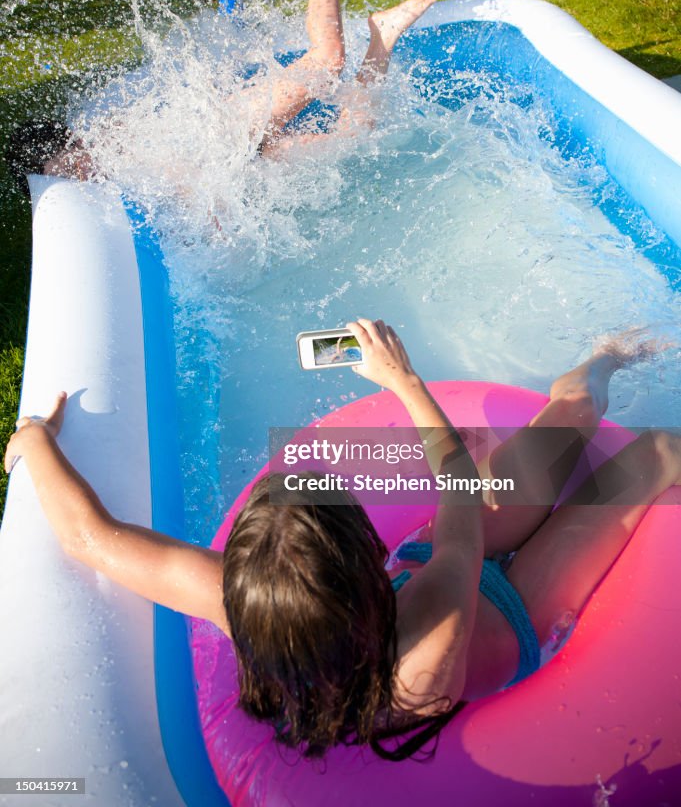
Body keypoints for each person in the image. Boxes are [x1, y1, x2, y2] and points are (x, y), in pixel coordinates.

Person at [5, 318, 679, 760]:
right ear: (360, 562)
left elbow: (89, 539)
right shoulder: (430, 636)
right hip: (507, 616)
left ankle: (604, 356)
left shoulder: (243, 606)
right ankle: (604, 363)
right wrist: (405, 383)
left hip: (420, 578)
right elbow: (460, 506)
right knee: (650, 452)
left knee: (570, 420)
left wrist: (34, 442)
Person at [2, 0, 435, 190]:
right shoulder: (94, 181)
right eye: (56, 176)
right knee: (357, 133)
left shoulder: (104, 142)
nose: (69, 175)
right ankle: (381, 37)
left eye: (57, 168)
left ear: (60, 148)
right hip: (246, 165)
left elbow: (177, 150)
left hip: (231, 130)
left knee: (327, 62)